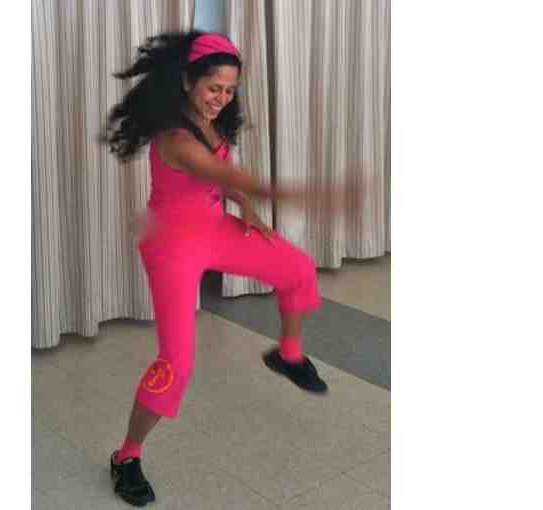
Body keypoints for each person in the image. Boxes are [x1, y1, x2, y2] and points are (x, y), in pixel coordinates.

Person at [103, 30, 358, 507]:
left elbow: (223, 176)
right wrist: (325, 196)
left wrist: (244, 207)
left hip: (214, 228)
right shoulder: (176, 137)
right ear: (187, 81)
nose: (221, 98)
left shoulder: (210, 122)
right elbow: (226, 174)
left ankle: (289, 355)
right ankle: (126, 456)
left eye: (229, 89)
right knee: (176, 364)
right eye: (213, 88)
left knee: (298, 268)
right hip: (172, 245)